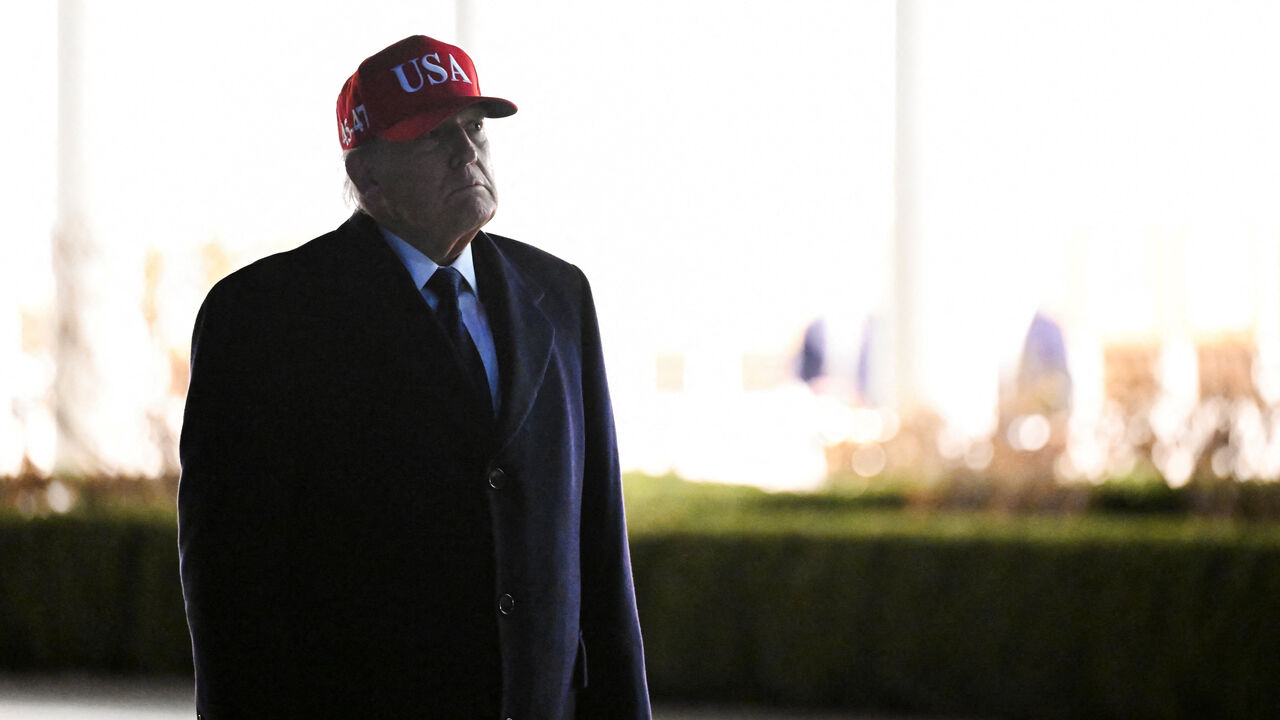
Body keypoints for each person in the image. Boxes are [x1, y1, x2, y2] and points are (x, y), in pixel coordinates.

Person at [177, 34, 650, 719]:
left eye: (475, 127)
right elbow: (230, 587)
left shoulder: (559, 295)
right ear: (368, 176)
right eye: (434, 136)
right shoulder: (264, 317)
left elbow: (601, 550)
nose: (468, 151)